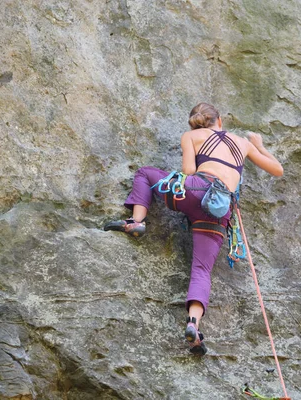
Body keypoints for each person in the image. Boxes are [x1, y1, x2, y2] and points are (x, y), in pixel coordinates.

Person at [104, 102, 283, 355]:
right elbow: (278, 170)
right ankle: (193, 325)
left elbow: (188, 171)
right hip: (219, 209)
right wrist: (259, 145)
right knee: (202, 270)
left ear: (196, 123)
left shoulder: (190, 136)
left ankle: (137, 222)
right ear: (219, 120)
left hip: (194, 190)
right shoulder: (243, 143)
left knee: (145, 173)